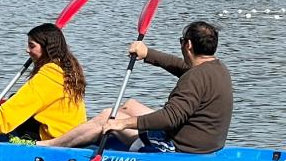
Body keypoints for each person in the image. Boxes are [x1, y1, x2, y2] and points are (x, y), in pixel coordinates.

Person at [38, 21, 232, 154]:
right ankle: (88, 135)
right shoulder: (217, 68)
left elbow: (170, 117)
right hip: (205, 140)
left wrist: (123, 124)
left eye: (181, 42)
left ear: (188, 45)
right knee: (129, 105)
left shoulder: (194, 78)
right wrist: (147, 53)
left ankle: (50, 145)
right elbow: (184, 68)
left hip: (181, 147)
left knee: (109, 116)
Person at [0, 23, 86, 145]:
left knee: (12, 105)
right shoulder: (67, 67)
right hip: (69, 131)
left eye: (32, 46)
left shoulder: (50, 75)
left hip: (54, 136)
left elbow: (18, 106)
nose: (27, 50)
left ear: (46, 48)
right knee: (13, 96)